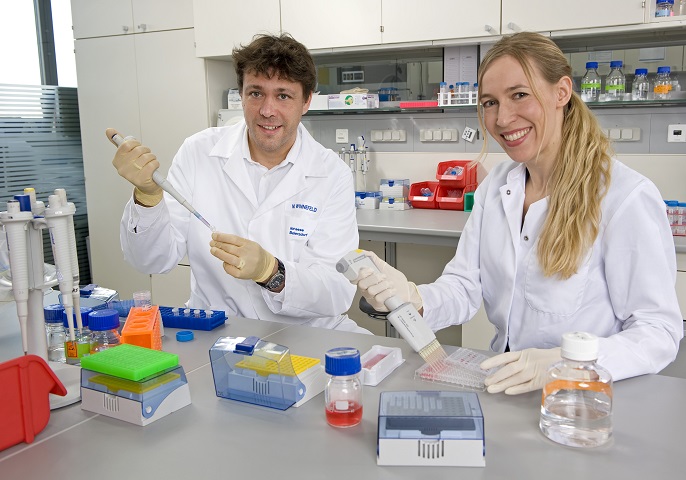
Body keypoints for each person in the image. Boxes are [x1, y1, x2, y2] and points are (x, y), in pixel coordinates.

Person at [353, 32, 683, 393]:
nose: (502, 118)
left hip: (585, 399)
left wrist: (568, 363)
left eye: (520, 95)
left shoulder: (624, 197)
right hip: (502, 384)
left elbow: (658, 332)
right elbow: (464, 286)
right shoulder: (497, 185)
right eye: (490, 102)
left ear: (562, 92)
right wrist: (414, 299)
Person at [108, 33, 367, 332]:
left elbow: (336, 291)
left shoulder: (330, 174)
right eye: (256, 93)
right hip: (217, 330)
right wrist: (147, 198)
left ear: (306, 101)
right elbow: (152, 261)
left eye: (283, 95)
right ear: (242, 94)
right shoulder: (199, 152)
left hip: (305, 334)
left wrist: (271, 271)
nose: (267, 110)